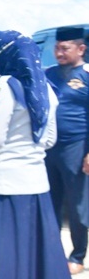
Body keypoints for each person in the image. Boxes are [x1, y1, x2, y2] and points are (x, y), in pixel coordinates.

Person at [0, 30, 69, 279]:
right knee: (37, 257)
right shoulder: (45, 89)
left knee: (10, 258)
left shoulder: (6, 87)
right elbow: (48, 140)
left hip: (5, 184)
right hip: (36, 183)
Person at [46, 26, 89, 275]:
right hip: (49, 148)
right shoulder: (48, 74)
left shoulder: (86, 75)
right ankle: (53, 253)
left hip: (76, 147)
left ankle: (77, 255)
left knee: (77, 206)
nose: (59, 52)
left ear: (81, 48)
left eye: (65, 48)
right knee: (49, 202)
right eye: (57, 48)